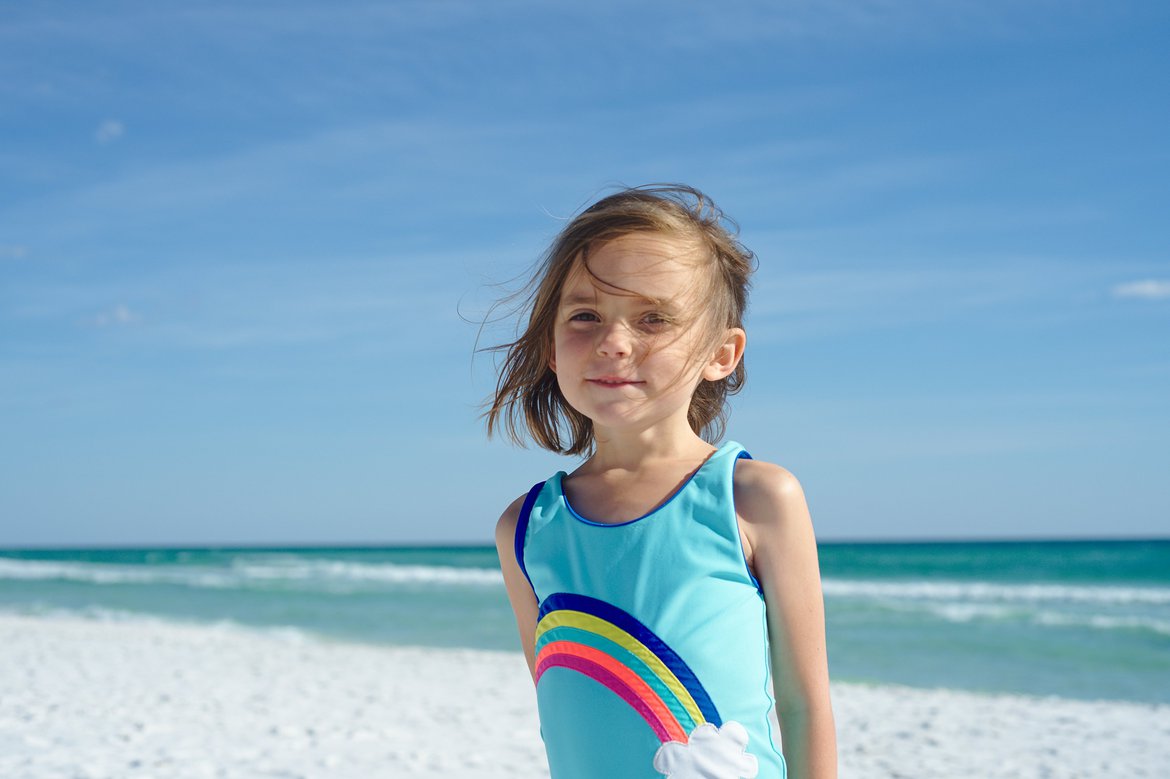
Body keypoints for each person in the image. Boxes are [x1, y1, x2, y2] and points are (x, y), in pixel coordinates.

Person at [487, 184, 836, 779]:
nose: (613, 342)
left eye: (653, 318)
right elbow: (560, 713)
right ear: (551, 344)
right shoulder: (524, 527)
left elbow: (804, 706)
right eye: (585, 316)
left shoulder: (753, 498)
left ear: (721, 354)